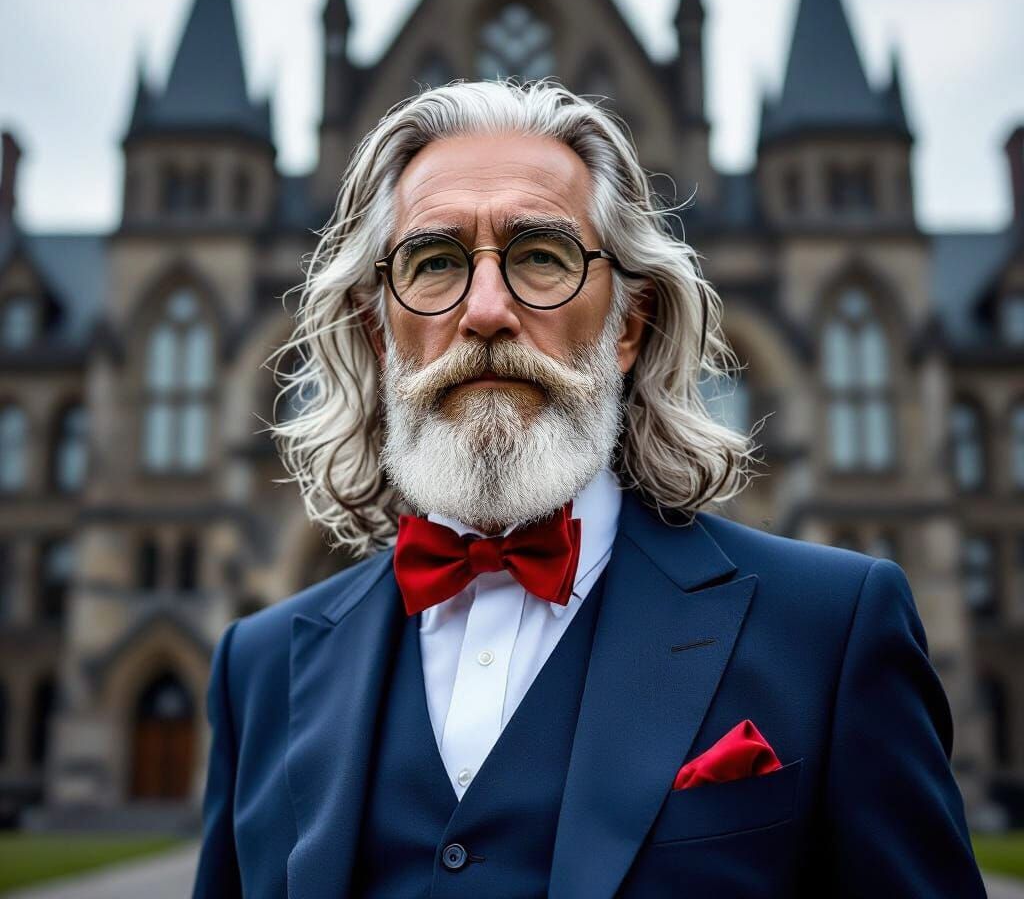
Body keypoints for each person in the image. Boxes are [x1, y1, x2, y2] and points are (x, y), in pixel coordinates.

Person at [191, 79, 987, 898]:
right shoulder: (258, 670)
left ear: (628, 328)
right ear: (376, 330)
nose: (487, 309)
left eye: (542, 256)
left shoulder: (832, 629)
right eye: (434, 263)